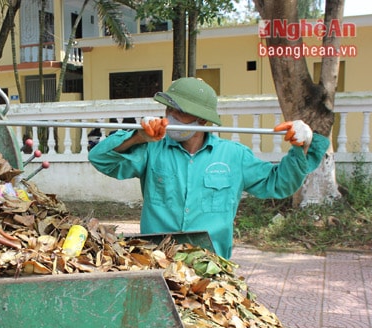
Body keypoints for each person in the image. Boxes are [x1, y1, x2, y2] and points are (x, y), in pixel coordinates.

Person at [88, 77, 330, 259]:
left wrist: (304, 145)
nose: (170, 117)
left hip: (211, 266)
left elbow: (280, 184)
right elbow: (101, 159)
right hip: (157, 261)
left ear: (201, 119)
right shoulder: (152, 150)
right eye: (168, 109)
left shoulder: (234, 156)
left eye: (179, 112)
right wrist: (137, 138)